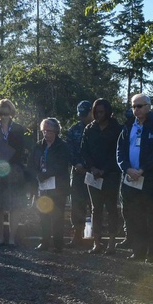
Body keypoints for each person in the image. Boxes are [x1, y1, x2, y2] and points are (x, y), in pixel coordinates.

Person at [117, 93, 153, 262]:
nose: (135, 110)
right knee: (134, 216)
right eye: (133, 106)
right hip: (131, 178)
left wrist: (143, 169)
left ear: (148, 106)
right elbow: (120, 150)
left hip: (150, 178)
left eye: (139, 106)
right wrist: (127, 168)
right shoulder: (128, 125)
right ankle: (138, 251)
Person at [0, 99, 29, 247]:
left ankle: (12, 238)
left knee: (14, 205)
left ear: (11, 113)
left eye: (7, 113)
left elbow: (21, 150)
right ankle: (0, 238)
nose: (4, 116)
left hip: (14, 170)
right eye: (1, 113)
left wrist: (8, 163)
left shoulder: (18, 129)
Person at [81, 98, 123, 254]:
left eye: (101, 112)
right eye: (96, 112)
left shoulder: (116, 129)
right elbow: (84, 151)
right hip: (93, 174)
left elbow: (118, 153)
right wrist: (92, 167)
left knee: (111, 207)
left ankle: (112, 242)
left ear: (108, 112)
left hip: (111, 174)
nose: (98, 115)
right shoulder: (89, 129)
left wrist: (104, 170)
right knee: (95, 208)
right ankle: (97, 243)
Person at [29, 118, 70, 252]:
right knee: (43, 216)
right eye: (44, 131)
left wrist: (46, 174)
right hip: (42, 187)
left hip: (58, 187)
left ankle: (58, 244)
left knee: (57, 216)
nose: (46, 134)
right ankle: (44, 242)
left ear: (56, 131)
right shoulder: (38, 146)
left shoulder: (62, 146)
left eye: (49, 131)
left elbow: (62, 165)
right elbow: (31, 164)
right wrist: (37, 174)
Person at [66, 100, 94, 246]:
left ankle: (96, 237)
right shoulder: (73, 130)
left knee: (96, 205)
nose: (82, 117)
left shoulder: (98, 128)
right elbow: (69, 150)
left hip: (95, 173)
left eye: (85, 114)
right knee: (77, 204)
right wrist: (76, 164)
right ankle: (77, 235)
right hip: (78, 173)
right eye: (81, 114)